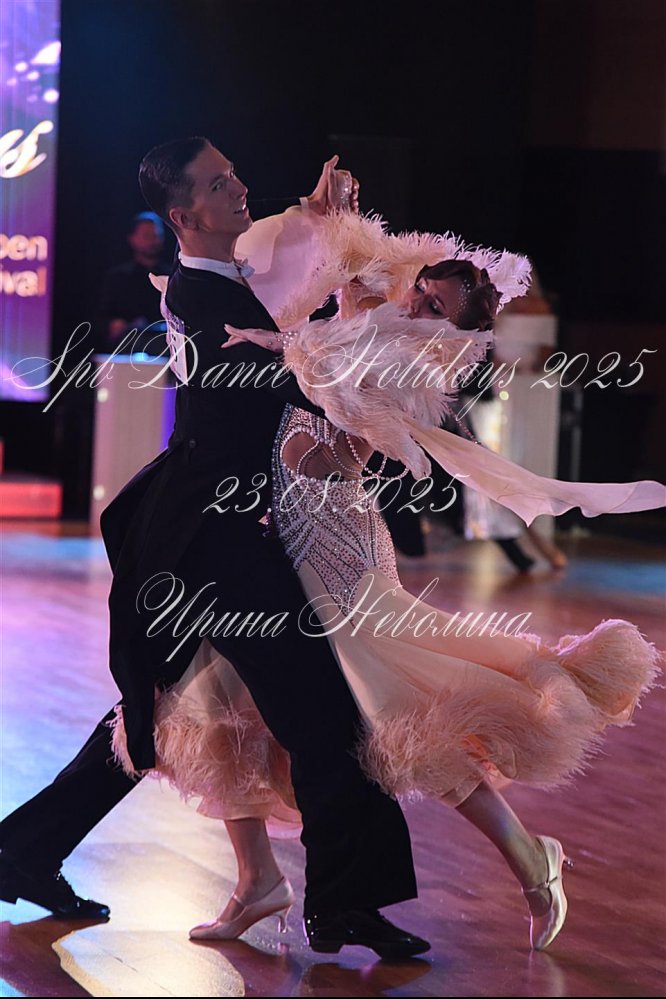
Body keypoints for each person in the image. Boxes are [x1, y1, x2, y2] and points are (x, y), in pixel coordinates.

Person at [132, 243, 664, 952]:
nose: (417, 306)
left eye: (435, 307)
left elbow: (347, 453)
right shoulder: (374, 325)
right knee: (223, 689)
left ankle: (530, 856)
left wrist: (307, 421)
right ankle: (256, 879)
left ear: (454, 331)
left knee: (399, 712)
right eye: (422, 291)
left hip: (337, 549)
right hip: (288, 543)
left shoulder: (411, 367)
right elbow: (332, 284)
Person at [0, 138, 430, 961]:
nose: (239, 188)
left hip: (202, 526)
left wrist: (317, 212)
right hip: (209, 539)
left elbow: (280, 259)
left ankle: (21, 850)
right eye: (218, 184)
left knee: (159, 711)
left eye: (235, 175)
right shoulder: (203, 298)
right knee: (324, 706)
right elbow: (290, 370)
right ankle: (345, 902)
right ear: (183, 214)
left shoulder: (223, 276)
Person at [97, 211, 172, 355]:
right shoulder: (118, 278)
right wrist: (114, 325)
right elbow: (102, 319)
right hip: (128, 349)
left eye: (156, 235)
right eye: (146, 236)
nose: (152, 241)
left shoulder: (172, 277)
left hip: (165, 348)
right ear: (133, 239)